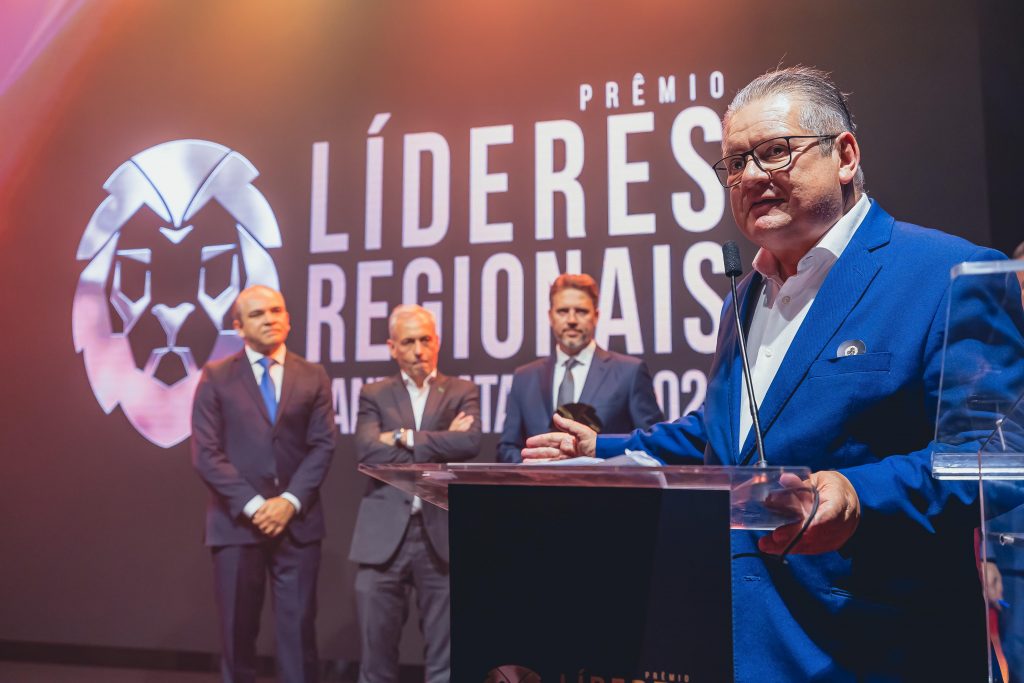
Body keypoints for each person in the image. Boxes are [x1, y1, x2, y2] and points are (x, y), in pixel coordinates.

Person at [523, 66, 1024, 681]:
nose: (750, 176)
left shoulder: (952, 272)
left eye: (774, 152)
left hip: (877, 649)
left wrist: (859, 494)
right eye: (734, 164)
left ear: (844, 155)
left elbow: (993, 459)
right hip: (737, 640)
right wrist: (603, 449)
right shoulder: (745, 297)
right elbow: (725, 436)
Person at [192, 285, 336, 683]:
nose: (270, 319)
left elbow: (323, 446)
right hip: (237, 525)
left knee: (298, 637)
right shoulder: (217, 377)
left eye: (276, 310)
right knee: (238, 638)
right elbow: (206, 454)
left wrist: (288, 502)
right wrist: (257, 506)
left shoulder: (313, 375)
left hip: (298, 525)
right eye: (258, 314)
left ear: (288, 318)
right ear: (238, 327)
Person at [349, 304, 481, 683]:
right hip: (382, 536)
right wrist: (441, 441)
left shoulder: (461, 390)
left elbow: (469, 442)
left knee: (445, 660)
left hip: (440, 535)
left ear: (437, 341)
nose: (419, 350)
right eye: (408, 342)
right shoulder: (374, 393)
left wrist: (403, 437)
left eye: (426, 339)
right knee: (376, 661)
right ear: (392, 347)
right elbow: (368, 451)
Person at [497, 273, 664, 463]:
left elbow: (652, 446)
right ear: (550, 316)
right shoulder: (524, 377)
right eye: (562, 311)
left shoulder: (630, 372)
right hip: (537, 490)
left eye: (581, 311)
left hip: (607, 489)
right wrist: (534, 466)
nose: (571, 319)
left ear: (596, 316)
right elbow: (507, 447)